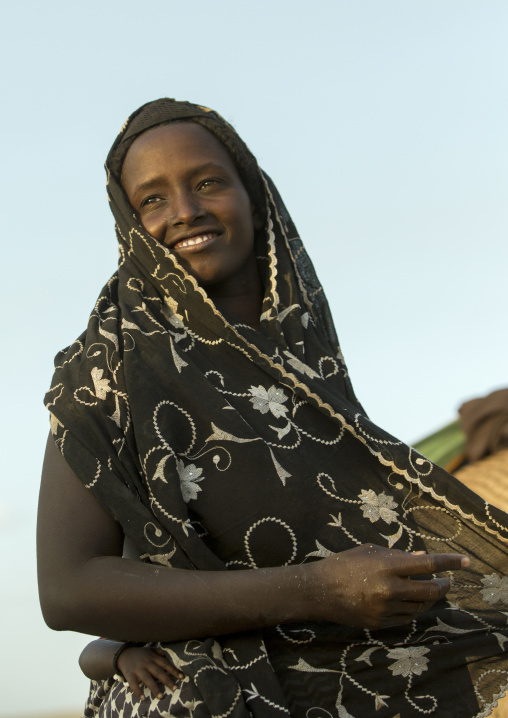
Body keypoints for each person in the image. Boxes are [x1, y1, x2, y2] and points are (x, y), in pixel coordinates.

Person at [38, 98, 508, 718]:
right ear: (128, 221)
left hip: (350, 671)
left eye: (207, 182)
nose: (185, 211)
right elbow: (68, 590)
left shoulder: (303, 355)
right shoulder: (107, 369)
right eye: (152, 199)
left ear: (254, 197)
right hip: (195, 690)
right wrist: (313, 592)